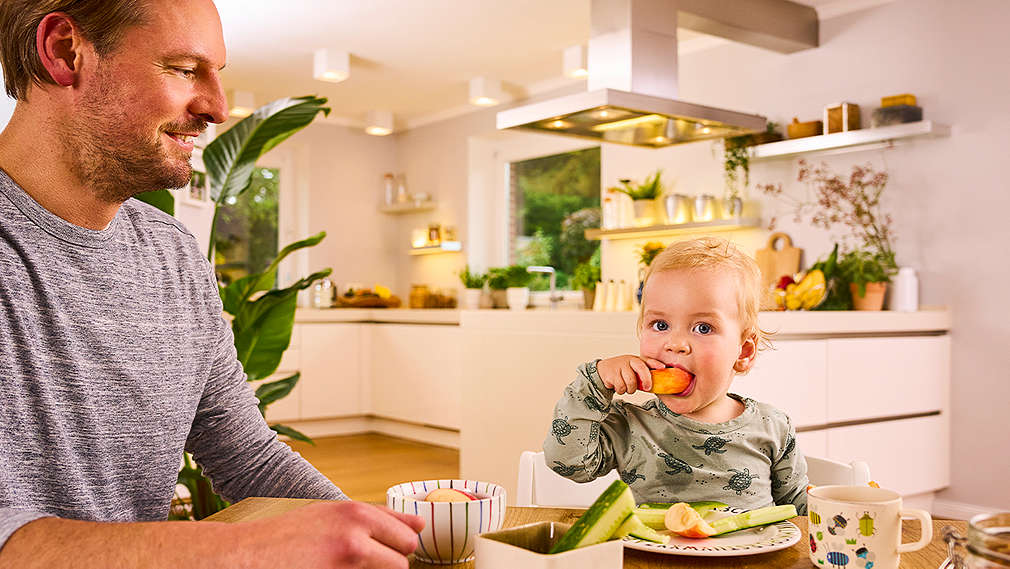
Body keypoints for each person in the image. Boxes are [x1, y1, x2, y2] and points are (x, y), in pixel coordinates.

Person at [0, 1, 423, 567]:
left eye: (216, 73)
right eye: (181, 68)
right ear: (64, 52)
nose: (218, 108)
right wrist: (240, 547)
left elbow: (245, 454)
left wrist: (385, 546)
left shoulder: (172, 253)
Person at [543, 237, 808, 513]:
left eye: (703, 328)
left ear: (743, 353)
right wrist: (594, 383)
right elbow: (567, 462)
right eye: (660, 324)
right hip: (654, 557)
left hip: (750, 556)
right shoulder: (632, 425)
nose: (675, 343)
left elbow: (799, 510)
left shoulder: (773, 427)